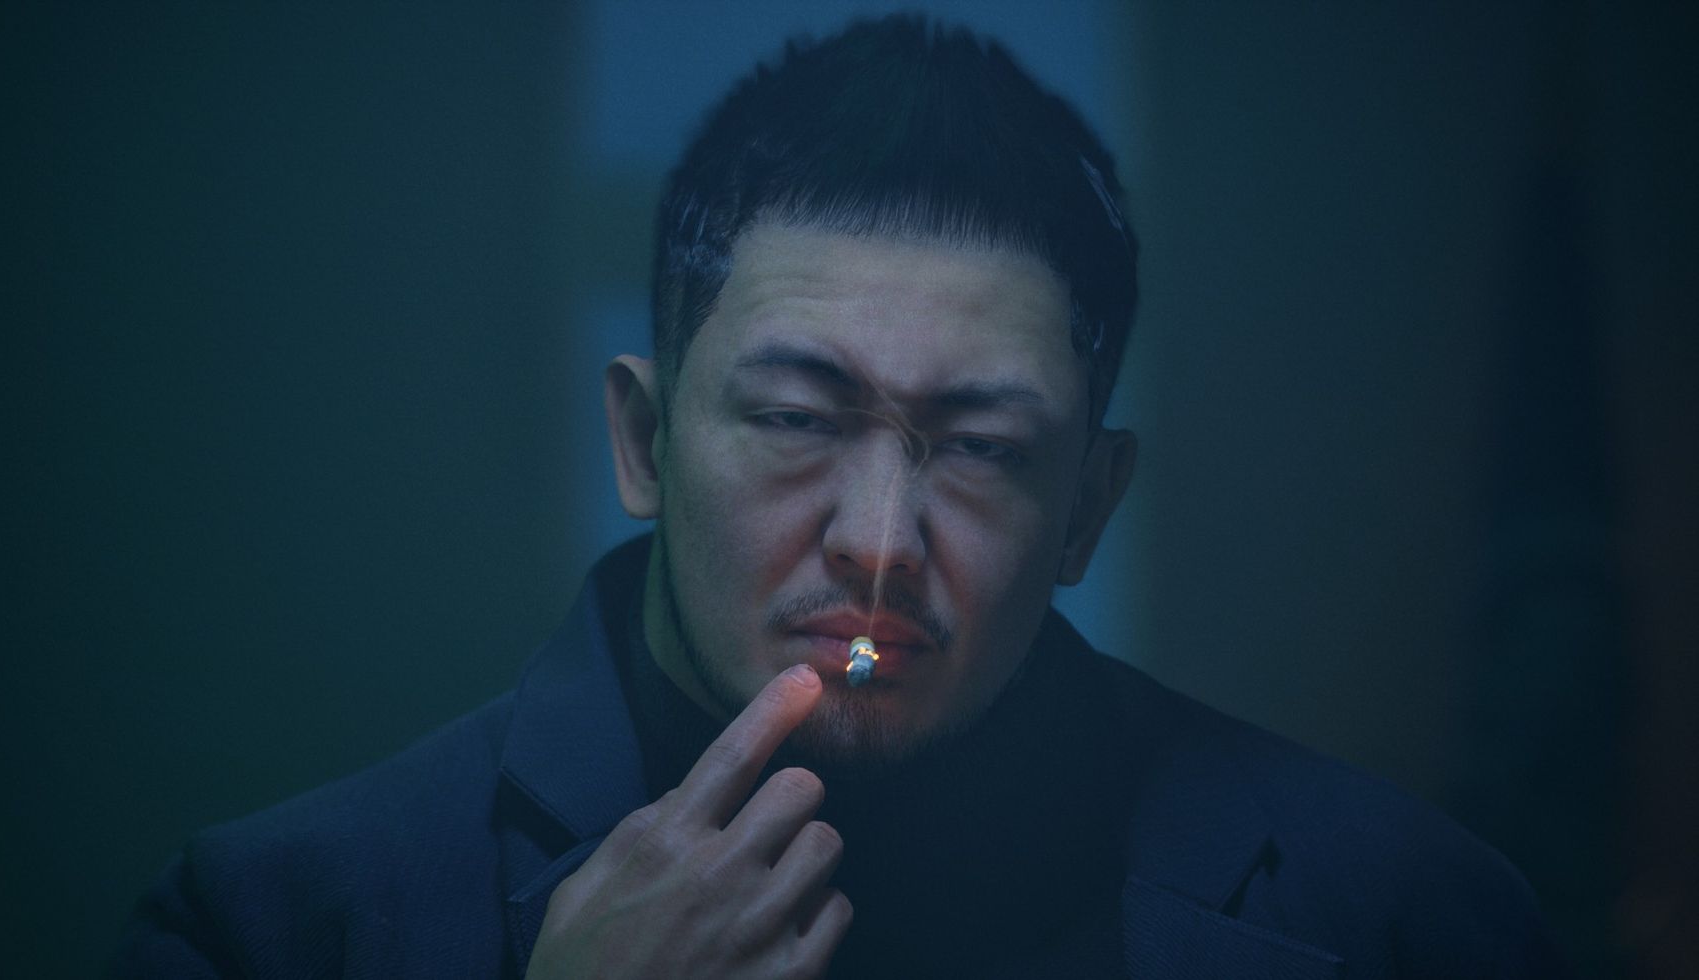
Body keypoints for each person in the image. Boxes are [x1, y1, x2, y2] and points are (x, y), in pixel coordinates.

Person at [115, 16, 1565, 978]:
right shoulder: (276, 928)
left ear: (1085, 509)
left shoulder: (1407, 919)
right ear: (643, 439)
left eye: (981, 447)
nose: (879, 543)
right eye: (799, 420)